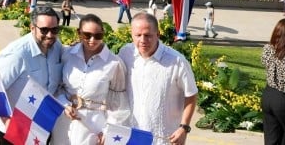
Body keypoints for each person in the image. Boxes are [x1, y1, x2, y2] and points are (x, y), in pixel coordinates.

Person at [119, 13, 197, 144]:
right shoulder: (125, 54)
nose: (143, 40)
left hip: (165, 138)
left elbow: (191, 95)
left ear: (158, 34)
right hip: (133, 135)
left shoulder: (177, 61)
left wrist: (184, 128)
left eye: (148, 35)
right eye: (138, 35)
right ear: (131, 34)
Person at [53, 14, 129, 145]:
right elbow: (59, 87)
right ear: (79, 33)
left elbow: (119, 103)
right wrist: (64, 104)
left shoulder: (114, 63)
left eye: (98, 35)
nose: (92, 40)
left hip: (93, 126)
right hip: (64, 121)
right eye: (87, 35)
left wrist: (109, 132)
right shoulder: (67, 54)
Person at [0, 6, 64, 144]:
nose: (50, 35)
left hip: (41, 124)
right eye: (44, 30)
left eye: (54, 30)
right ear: (32, 28)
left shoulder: (56, 47)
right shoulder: (16, 54)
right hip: (15, 126)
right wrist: (8, 124)